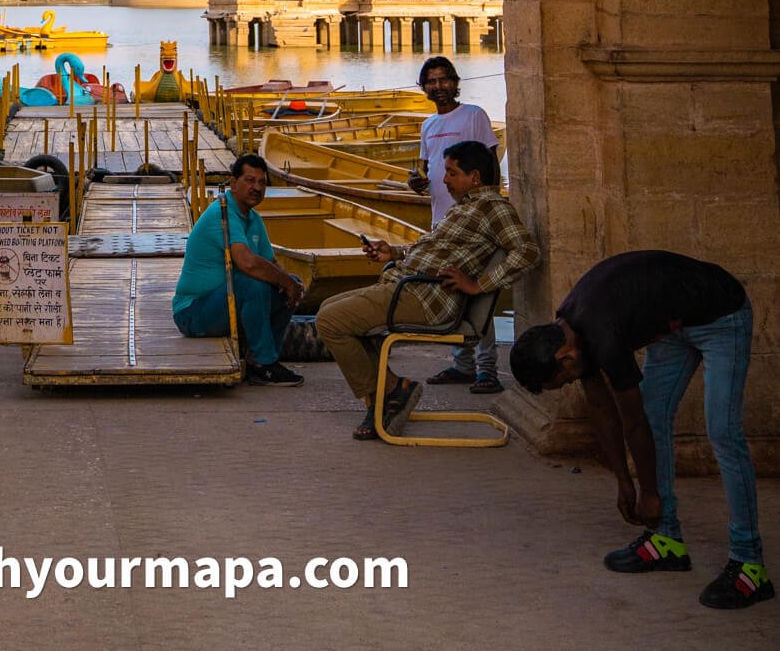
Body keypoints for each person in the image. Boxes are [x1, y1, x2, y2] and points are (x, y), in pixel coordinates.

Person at [509, 251, 772, 613]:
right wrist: (623, 483)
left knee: (723, 434)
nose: (573, 383)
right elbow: (602, 412)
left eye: (565, 381)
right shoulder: (569, 331)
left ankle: (749, 565)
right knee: (655, 412)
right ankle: (667, 539)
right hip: (674, 326)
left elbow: (632, 423)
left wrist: (647, 492)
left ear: (565, 358)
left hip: (721, 315)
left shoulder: (603, 336)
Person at [316, 140, 538, 440]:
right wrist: (393, 253)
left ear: (474, 177)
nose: (444, 179)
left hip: (425, 298)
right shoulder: (464, 208)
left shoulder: (492, 207)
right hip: (407, 285)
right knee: (329, 309)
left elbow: (527, 251)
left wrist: (478, 285)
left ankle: (393, 392)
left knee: (330, 321)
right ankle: (388, 395)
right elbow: (437, 251)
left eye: (451, 172)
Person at [408, 55, 503, 393]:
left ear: (455, 82)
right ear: (424, 88)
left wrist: (488, 207)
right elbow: (427, 169)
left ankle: (487, 370)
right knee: (452, 292)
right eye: (431, 81)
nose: (439, 86)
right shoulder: (428, 126)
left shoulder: (474, 115)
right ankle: (462, 364)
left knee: (479, 298)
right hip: (442, 222)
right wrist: (417, 183)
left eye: (444, 79)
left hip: (474, 225)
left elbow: (490, 164)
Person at [172, 152, 306, 386]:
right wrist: (286, 282)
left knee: (288, 284)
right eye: (250, 180)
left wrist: (291, 285)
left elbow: (271, 265)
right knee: (250, 282)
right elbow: (247, 262)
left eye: (262, 183)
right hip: (193, 312)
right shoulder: (222, 213)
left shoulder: (253, 218)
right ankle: (264, 363)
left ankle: (262, 358)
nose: (256, 188)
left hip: (223, 306)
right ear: (234, 183)